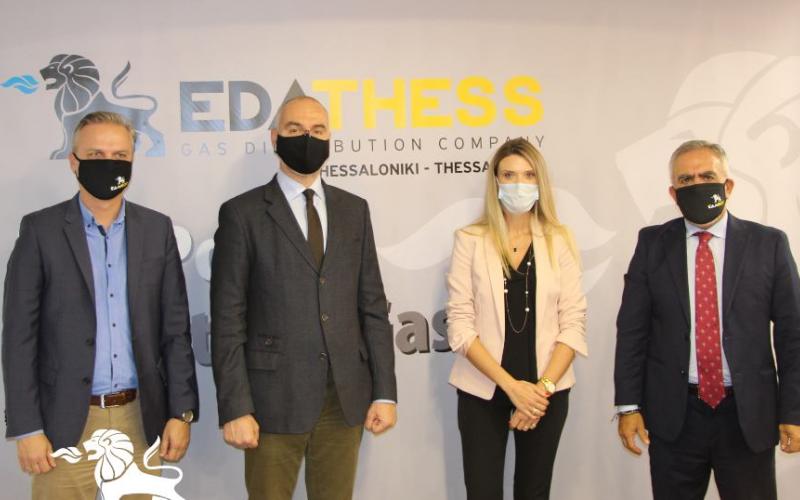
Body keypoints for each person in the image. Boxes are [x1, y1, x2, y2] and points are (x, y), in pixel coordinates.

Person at [2, 111, 199, 500]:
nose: (109, 163)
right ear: (73, 161)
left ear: (132, 161)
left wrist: (181, 413)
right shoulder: (40, 230)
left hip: (140, 420)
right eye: (95, 154)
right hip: (63, 426)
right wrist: (28, 428)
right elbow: (19, 336)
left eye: (119, 155)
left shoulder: (156, 229)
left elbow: (175, 331)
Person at [210, 96, 397, 500]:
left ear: (330, 138)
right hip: (272, 401)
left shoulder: (354, 210)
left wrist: (384, 391)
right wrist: (236, 407)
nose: (307, 138)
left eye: (318, 130)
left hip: (344, 399)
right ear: (274, 138)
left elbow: (372, 307)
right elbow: (227, 319)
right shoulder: (242, 214)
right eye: (295, 129)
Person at [614, 140, 800, 499]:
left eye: (707, 176)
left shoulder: (769, 244)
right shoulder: (652, 244)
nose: (697, 185)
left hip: (747, 415)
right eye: (686, 180)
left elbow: (792, 334)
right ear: (673, 193)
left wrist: (794, 410)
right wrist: (628, 406)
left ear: (727, 186)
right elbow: (633, 331)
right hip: (675, 416)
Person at [446, 137, 587, 499]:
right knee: (482, 492)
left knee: (533, 492)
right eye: (509, 175)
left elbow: (573, 323)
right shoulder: (470, 239)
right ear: (495, 181)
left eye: (528, 175)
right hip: (483, 388)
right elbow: (460, 325)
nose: (518, 184)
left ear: (540, 182)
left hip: (546, 391)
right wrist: (511, 387)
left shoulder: (560, 240)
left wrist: (540, 392)